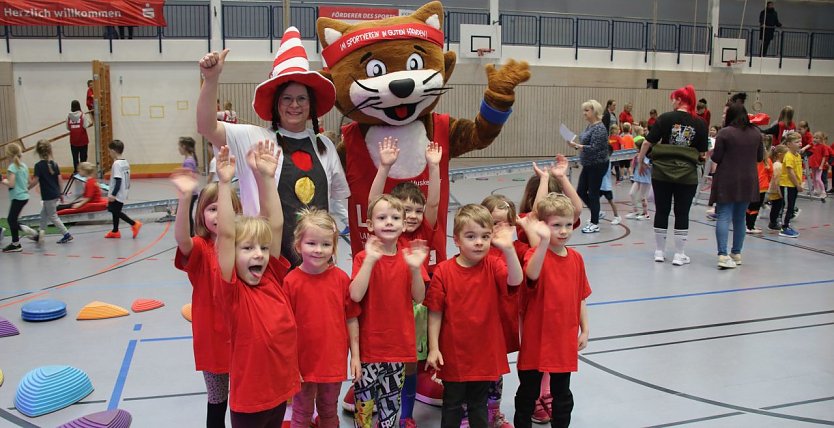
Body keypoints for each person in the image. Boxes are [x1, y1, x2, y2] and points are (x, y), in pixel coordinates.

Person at [197, 27, 348, 267]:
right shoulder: (254, 138)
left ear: (312, 105)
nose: (294, 105)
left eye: (302, 98)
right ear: (276, 104)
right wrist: (211, 79)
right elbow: (206, 126)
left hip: (318, 267)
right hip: (265, 264)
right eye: (287, 98)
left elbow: (338, 203)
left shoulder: (325, 146)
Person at [215, 143, 300, 426]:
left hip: (279, 392)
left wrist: (266, 178)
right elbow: (226, 235)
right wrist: (225, 183)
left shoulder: (271, 277)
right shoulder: (233, 290)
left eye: (263, 249)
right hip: (250, 401)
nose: (259, 255)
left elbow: (275, 225)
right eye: (248, 248)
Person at [366, 137, 442, 427]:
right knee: (382, 364)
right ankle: (373, 404)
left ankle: (406, 415)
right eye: (405, 211)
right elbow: (375, 203)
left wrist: (433, 168)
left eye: (416, 210)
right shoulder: (387, 234)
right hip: (389, 309)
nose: (411, 216)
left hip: (418, 306)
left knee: (410, 365)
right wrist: (384, 167)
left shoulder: (423, 230)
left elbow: (433, 201)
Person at [424, 204, 523, 428]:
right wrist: (433, 347)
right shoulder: (444, 271)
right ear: (457, 240)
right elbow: (435, 312)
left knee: (479, 404)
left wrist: (508, 248)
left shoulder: (494, 264)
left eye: (485, 236)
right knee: (452, 403)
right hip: (454, 353)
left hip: (484, 353)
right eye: (471, 236)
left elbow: (515, 280)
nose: (479, 242)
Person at [349, 194, 428, 428]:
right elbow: (355, 295)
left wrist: (415, 269)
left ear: (404, 225)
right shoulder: (363, 258)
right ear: (371, 225)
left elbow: (419, 297)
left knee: (390, 404)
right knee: (364, 406)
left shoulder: (409, 259)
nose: (389, 222)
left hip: (398, 348)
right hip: (369, 350)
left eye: (395, 217)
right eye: (382, 217)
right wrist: (370, 261)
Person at [171, 169, 242, 428]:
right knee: (216, 399)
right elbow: (181, 239)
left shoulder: (243, 246)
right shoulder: (200, 247)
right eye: (212, 209)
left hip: (241, 337)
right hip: (212, 339)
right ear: (201, 214)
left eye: (225, 208)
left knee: (243, 399)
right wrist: (184, 199)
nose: (219, 215)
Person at [514, 194, 591, 428]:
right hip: (536, 340)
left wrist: (585, 330)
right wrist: (543, 242)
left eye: (568, 225)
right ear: (544, 227)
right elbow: (532, 274)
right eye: (556, 225)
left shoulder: (576, 259)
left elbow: (580, 297)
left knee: (562, 395)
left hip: (563, 341)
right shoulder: (535, 254)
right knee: (528, 393)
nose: (564, 231)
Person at [284, 209, 361, 428]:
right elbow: (285, 330)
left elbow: (352, 318)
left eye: (326, 245)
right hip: (301, 365)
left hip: (332, 362)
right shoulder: (291, 282)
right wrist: (290, 365)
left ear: (334, 247)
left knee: (328, 410)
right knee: (301, 412)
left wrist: (355, 357)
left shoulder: (341, 279)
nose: (319, 250)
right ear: (298, 245)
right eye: (311, 243)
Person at [637, 85, 708, 266]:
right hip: (686, 175)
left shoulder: (665, 118)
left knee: (662, 210)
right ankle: (679, 254)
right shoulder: (700, 123)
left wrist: (640, 160)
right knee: (682, 212)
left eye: (673, 98)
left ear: (679, 100)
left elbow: (647, 142)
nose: (672, 101)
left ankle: (659, 251)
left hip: (662, 172)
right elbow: (702, 153)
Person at [480, 194, 533, 427]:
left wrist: (521, 224)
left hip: (502, 322)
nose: (499, 228)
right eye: (494, 222)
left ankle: (494, 413)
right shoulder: (478, 248)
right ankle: (471, 411)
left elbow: (539, 249)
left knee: (496, 371)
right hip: (479, 324)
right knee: (476, 372)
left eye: (505, 223)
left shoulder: (516, 249)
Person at [710, 104, 764, 269]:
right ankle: (736, 252)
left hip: (727, 178)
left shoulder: (725, 133)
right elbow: (760, 156)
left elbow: (717, 158)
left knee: (724, 216)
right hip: (748, 179)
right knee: (740, 217)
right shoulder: (756, 133)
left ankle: (722, 254)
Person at [570, 100, 610, 234]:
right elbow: (586, 143)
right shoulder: (590, 126)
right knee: (581, 191)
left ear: (594, 112)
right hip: (588, 163)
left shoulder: (600, 128)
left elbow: (595, 148)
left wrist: (578, 146)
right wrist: (576, 144)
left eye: (587, 110)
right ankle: (596, 211)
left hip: (597, 164)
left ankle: (594, 223)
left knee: (593, 193)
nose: (584, 113)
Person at [32, 140, 72, 245]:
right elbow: (60, 180)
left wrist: (27, 187)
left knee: (53, 216)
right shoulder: (54, 164)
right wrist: (61, 193)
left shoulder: (38, 166)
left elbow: (35, 180)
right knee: (43, 214)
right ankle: (40, 234)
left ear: (38, 152)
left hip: (48, 196)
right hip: (54, 194)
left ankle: (66, 234)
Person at [1, 142, 38, 252]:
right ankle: (20, 239)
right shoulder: (24, 166)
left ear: (9, 155)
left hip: (17, 197)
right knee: (13, 219)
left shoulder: (12, 167)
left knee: (11, 220)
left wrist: (2, 180)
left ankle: (18, 242)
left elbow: (11, 184)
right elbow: (29, 181)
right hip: (24, 196)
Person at [105, 140, 142, 239]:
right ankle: (115, 231)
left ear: (113, 151)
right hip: (123, 191)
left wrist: (113, 194)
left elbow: (118, 180)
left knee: (114, 210)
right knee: (115, 211)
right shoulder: (125, 162)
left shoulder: (116, 164)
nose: (109, 154)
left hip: (117, 192)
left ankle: (134, 224)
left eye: (109, 151)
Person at [769, 132, 803, 237]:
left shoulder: (797, 155)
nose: (800, 144)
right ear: (788, 144)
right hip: (788, 185)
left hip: (794, 185)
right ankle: (784, 228)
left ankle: (786, 225)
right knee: (787, 206)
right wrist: (797, 184)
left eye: (800, 141)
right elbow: (790, 172)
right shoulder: (789, 156)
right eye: (796, 142)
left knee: (791, 206)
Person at [746, 140, 777, 234]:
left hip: (751, 186)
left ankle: (748, 225)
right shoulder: (767, 161)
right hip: (761, 187)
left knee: (750, 207)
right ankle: (750, 227)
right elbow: (771, 174)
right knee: (755, 208)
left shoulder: (750, 160)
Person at [626, 138, 652, 220]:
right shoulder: (637, 156)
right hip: (638, 178)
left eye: (637, 147)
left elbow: (649, 167)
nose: (636, 149)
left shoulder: (648, 157)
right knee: (632, 193)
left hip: (645, 179)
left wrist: (642, 160)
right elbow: (632, 166)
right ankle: (635, 211)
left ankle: (646, 213)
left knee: (642, 196)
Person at [179, 136, 199, 235]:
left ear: (184, 147)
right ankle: (190, 234)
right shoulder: (189, 159)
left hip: (191, 192)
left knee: (187, 215)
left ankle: (191, 235)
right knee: (188, 214)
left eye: (180, 146)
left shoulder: (188, 161)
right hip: (191, 192)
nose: (178, 149)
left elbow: (189, 178)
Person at [600, 146, 622, 225]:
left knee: (611, 201)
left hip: (605, 186)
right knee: (593, 200)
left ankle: (617, 217)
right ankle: (598, 213)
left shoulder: (606, 161)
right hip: (599, 185)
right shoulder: (602, 160)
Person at [67, 100, 91, 173]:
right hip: (83, 140)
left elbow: (68, 128)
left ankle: (76, 172)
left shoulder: (68, 116)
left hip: (73, 140)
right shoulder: (82, 115)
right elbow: (85, 125)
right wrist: (89, 123)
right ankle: (83, 172)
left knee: (75, 158)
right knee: (83, 157)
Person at [809, 132, 830, 200]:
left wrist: (821, 165)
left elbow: (824, 156)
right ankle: (815, 189)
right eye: (814, 137)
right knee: (814, 178)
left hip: (819, 165)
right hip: (813, 164)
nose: (814, 139)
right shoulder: (813, 145)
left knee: (818, 178)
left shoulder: (823, 146)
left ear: (821, 139)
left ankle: (823, 192)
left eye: (816, 138)